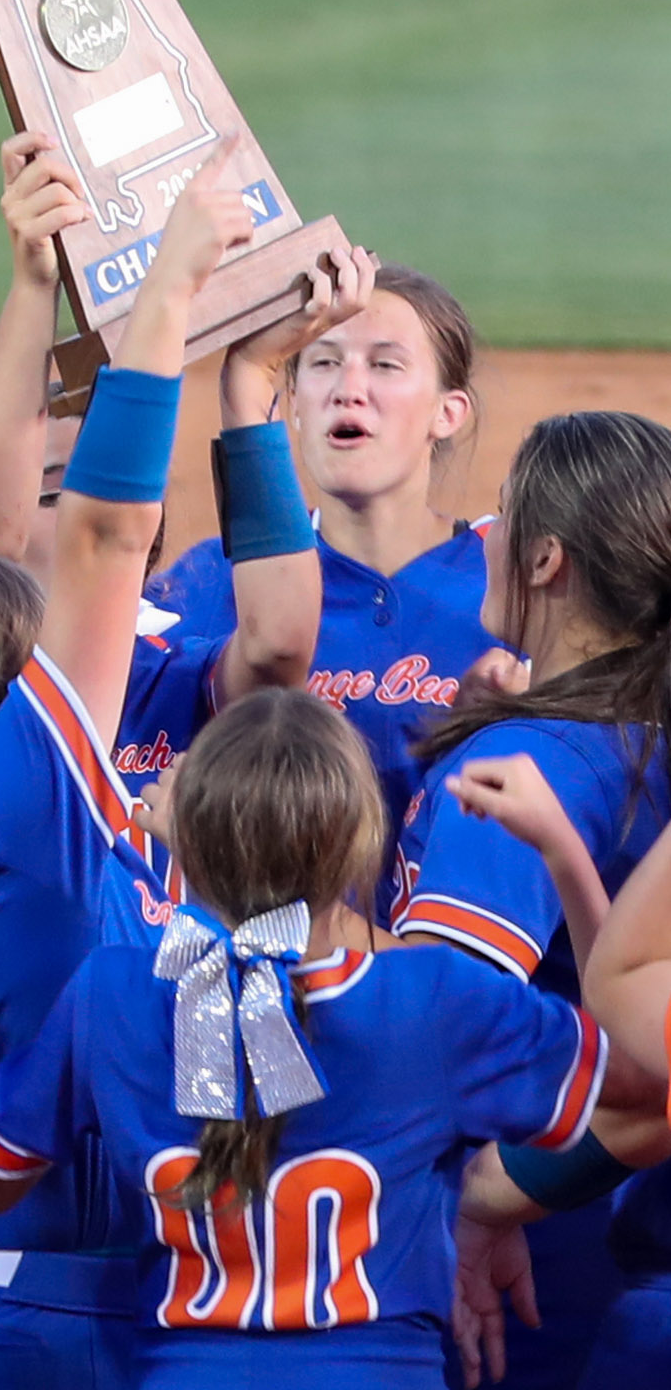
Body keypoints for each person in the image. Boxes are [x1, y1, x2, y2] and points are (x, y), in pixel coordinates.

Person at [0, 137, 309, 1390]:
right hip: (42, 1329)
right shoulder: (20, 823)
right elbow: (99, 534)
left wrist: (37, 283)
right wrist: (171, 291)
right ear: (18, 694)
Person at [0, 686, 610, 1390]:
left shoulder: (111, 992)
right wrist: (564, 851)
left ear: (192, 846)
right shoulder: (434, 999)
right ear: (361, 844)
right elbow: (637, 1074)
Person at [0, 131, 372, 809]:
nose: (93, 505)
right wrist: (35, 279)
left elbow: (279, 645)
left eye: (108, 481)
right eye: (57, 490)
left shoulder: (166, 665)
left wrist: (253, 379)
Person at [392, 410, 671, 1387]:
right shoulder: (640, 736)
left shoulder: (523, 769)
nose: (483, 535)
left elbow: (427, 1028)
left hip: (514, 1274)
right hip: (607, 1230)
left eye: (502, 517)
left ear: (546, 559)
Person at [143, 260, 487, 848]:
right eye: (324, 362)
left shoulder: (510, 585)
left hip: (449, 938)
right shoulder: (211, 584)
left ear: (447, 412)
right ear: (293, 403)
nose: (348, 388)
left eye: (385, 365)